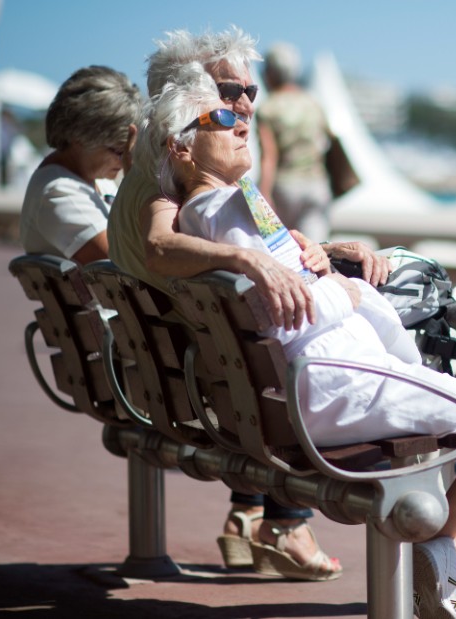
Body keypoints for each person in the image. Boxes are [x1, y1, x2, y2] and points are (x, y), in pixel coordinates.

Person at [129, 69, 456, 619]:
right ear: (180, 148)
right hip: (341, 384)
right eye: (224, 118)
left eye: (243, 112)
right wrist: (350, 294)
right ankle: (447, 553)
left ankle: (449, 556)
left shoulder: (213, 213)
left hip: (324, 386)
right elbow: (294, 316)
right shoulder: (228, 209)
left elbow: (283, 293)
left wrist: (331, 275)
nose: (242, 125)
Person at [107, 26, 357, 582]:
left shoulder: (157, 164)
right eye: (228, 93)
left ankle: (248, 516)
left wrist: (318, 249)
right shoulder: (170, 171)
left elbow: (254, 245)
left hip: (178, 364)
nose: (243, 104)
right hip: (210, 377)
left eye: (251, 92)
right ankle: (289, 524)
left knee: (254, 337)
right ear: (185, 94)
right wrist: (251, 261)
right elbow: (161, 245)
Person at [19, 66, 141, 264]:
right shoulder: (59, 193)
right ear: (82, 137)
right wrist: (137, 183)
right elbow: (126, 262)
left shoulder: (94, 179)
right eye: (119, 151)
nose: (125, 159)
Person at [257, 42, 334, 242]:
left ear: (271, 73)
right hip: (317, 185)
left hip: (286, 187)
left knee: (285, 251)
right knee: (316, 248)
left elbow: (269, 156)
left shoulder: (268, 108)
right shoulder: (313, 103)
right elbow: (328, 141)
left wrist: (263, 194)